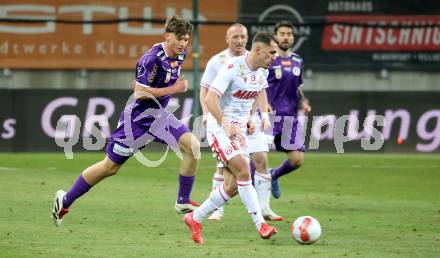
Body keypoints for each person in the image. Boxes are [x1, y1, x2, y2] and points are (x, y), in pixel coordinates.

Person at [52, 16, 201, 226]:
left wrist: (168, 85)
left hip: (158, 116)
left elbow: (160, 80)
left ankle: (182, 201)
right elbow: (139, 94)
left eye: (186, 39)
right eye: (180, 39)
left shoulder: (180, 53)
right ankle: (64, 200)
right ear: (167, 36)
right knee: (109, 167)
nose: (184, 44)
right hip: (137, 121)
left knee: (193, 146)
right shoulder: (151, 59)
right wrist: (173, 89)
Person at [183, 32, 278, 244]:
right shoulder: (233, 66)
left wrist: (251, 117)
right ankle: (260, 224)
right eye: (271, 53)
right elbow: (210, 98)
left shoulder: (262, 73)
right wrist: (227, 125)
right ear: (258, 50)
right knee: (245, 169)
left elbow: (254, 96)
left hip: (240, 131)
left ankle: (194, 218)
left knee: (233, 186)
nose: (274, 57)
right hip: (219, 128)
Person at [199, 23, 282, 221]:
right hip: (223, 121)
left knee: (260, 160)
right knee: (229, 169)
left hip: (244, 121)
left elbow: (259, 90)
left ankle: (264, 209)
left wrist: (258, 115)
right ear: (227, 38)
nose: (239, 40)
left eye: (243, 36)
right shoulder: (219, 62)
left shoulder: (259, 61)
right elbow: (206, 91)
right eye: (235, 36)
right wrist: (207, 114)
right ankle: (217, 212)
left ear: (248, 39)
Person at [265, 21, 312, 199]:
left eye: (289, 34)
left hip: (290, 117)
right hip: (269, 117)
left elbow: (298, 85)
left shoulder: (298, 60)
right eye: (282, 33)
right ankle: (254, 199)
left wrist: (303, 101)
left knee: (297, 160)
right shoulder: (269, 58)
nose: (286, 37)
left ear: (293, 37)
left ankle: (273, 176)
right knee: (258, 157)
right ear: (275, 37)